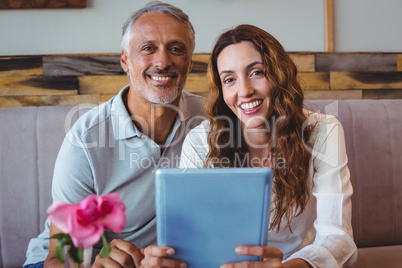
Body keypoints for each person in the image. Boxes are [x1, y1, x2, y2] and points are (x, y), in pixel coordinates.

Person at [140, 25, 357, 268]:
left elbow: (339, 239)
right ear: (222, 90)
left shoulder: (322, 131)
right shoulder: (200, 141)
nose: (244, 90)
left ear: (279, 74)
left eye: (256, 72)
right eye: (229, 79)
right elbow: (190, 236)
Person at [23, 2, 205, 268]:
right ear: (125, 61)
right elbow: (58, 258)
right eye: (148, 48)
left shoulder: (209, 121)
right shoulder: (85, 139)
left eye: (176, 49)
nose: (163, 61)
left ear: (189, 64)